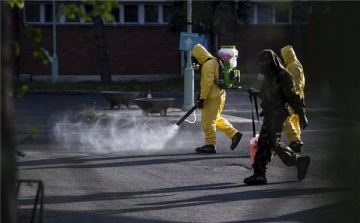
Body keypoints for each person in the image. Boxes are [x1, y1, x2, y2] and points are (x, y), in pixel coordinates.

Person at [244, 49, 310, 185]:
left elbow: (294, 97)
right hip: (270, 113)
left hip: (278, 114)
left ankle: (259, 175)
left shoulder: (283, 75)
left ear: (272, 62)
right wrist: (256, 93)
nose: (262, 67)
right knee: (274, 143)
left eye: (265, 64)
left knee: (265, 143)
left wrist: (302, 115)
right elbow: (268, 93)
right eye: (261, 64)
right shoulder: (269, 75)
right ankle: (299, 161)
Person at [191, 44, 243, 154]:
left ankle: (210, 145)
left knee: (207, 121)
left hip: (212, 97)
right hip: (219, 95)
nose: (196, 63)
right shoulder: (214, 61)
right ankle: (234, 134)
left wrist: (202, 98)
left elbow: (207, 83)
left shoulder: (208, 64)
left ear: (199, 56)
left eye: (195, 59)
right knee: (216, 118)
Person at [281, 45, 305, 152]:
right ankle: (296, 141)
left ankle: (295, 140)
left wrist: (287, 95)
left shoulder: (294, 66)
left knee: (284, 118)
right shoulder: (292, 64)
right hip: (296, 98)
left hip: (292, 98)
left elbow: (295, 85)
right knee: (294, 120)